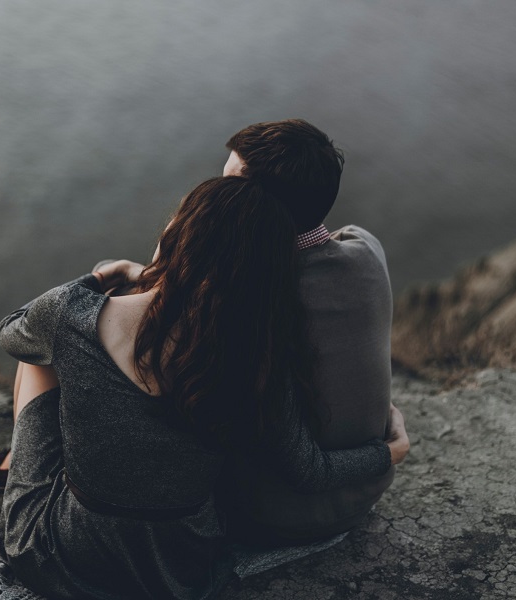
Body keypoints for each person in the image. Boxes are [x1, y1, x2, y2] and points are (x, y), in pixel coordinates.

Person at [0, 176, 409, 599]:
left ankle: (15, 469)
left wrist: (96, 279)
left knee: (39, 352)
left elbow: (11, 332)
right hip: (177, 572)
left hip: (67, 555)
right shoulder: (257, 358)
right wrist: (388, 452)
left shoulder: (72, 313)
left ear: (176, 234)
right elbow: (308, 470)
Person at [217, 118, 399, 544]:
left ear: (252, 205)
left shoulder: (249, 294)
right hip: (363, 496)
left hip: (272, 515)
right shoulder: (367, 249)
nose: (213, 194)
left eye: (226, 186)